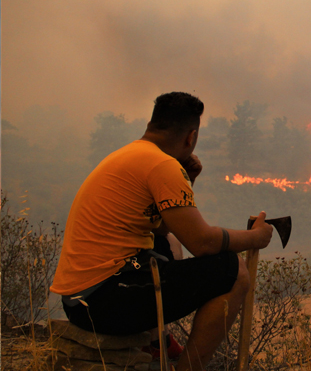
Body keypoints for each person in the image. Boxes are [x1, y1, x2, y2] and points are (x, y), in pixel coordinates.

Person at [50, 92, 273, 371]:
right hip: (101, 301)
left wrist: (187, 180)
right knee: (234, 272)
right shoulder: (162, 165)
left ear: (152, 125)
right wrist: (255, 238)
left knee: (168, 242)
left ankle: (158, 343)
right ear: (190, 137)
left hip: (79, 299)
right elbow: (202, 242)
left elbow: (167, 226)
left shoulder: (134, 154)